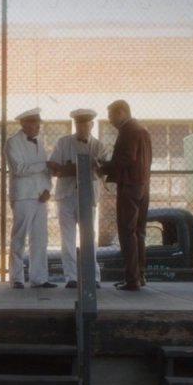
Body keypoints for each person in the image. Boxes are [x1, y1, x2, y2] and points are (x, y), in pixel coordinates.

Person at [47, 108, 111, 289]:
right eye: (79, 124)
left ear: (91, 125)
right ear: (75, 125)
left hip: (88, 196)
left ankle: (93, 277)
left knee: (88, 237)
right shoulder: (63, 142)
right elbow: (53, 166)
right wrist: (73, 169)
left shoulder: (99, 146)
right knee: (67, 238)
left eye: (86, 124)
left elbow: (105, 170)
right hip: (66, 195)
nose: (82, 127)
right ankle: (71, 277)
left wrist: (97, 167)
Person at [99, 100, 152, 292]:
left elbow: (127, 158)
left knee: (127, 232)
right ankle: (140, 275)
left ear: (121, 112)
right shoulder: (142, 130)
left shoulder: (128, 130)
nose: (110, 120)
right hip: (143, 186)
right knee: (139, 232)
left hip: (129, 186)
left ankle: (132, 279)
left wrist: (104, 167)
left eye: (111, 115)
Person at [6, 108, 57, 289]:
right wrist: (44, 165)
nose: (38, 127)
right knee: (19, 237)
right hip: (23, 195)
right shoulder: (12, 142)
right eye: (35, 123)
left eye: (39, 123)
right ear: (24, 124)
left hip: (40, 196)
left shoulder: (40, 143)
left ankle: (39, 278)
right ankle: (17, 278)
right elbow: (18, 169)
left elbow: (44, 172)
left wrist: (48, 189)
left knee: (40, 238)